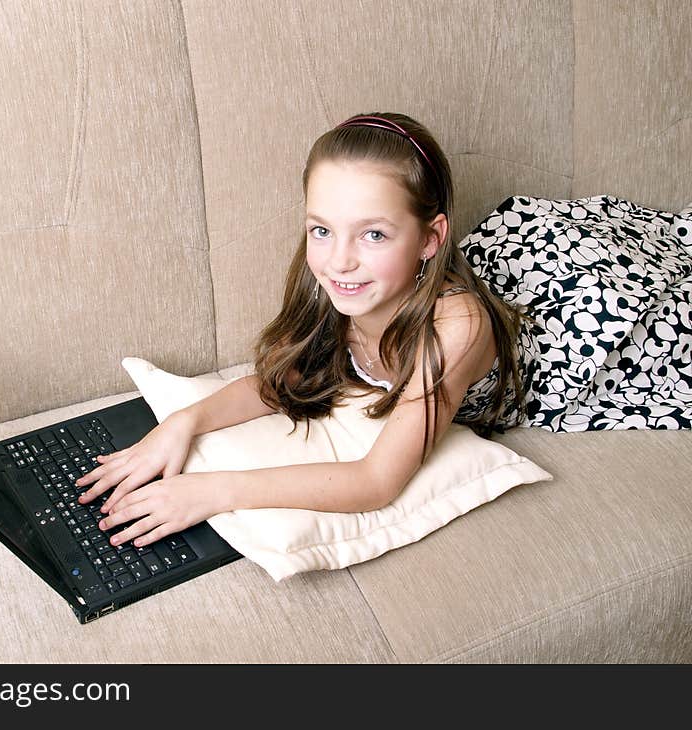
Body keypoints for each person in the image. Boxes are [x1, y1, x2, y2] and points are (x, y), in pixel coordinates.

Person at [75, 112, 527, 549]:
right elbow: (286, 383)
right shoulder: (335, 283)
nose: (339, 259)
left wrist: (211, 491)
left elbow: (376, 481)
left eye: (373, 235)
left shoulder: (456, 327)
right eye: (322, 229)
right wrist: (184, 422)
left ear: (430, 239)